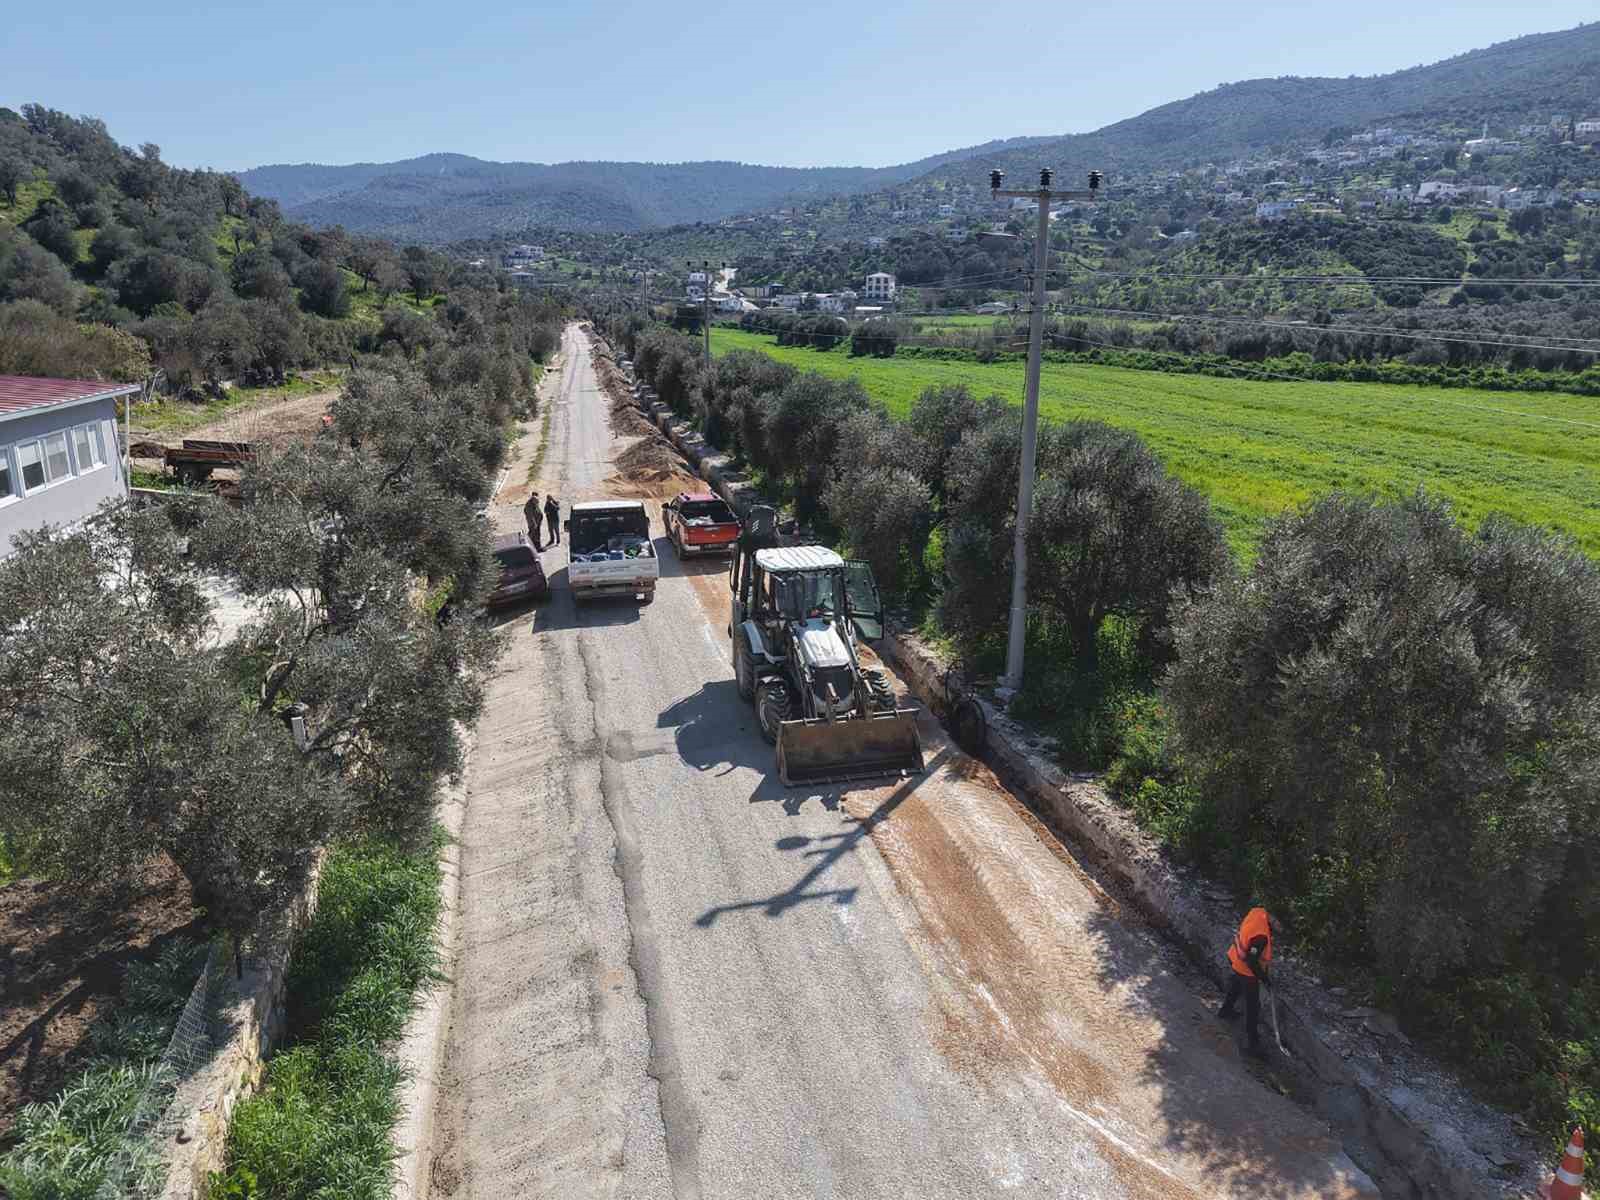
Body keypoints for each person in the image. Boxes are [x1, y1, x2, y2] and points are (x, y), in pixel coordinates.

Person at [1219, 905, 1272, 1056]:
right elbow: (1252, 961)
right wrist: (1263, 978)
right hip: (1246, 970)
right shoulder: (1261, 936)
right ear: (1273, 919)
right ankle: (1253, 1043)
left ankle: (1225, 1011)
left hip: (1235, 958)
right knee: (1253, 1006)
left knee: (1235, 986)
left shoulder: (1258, 912)